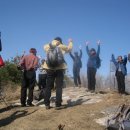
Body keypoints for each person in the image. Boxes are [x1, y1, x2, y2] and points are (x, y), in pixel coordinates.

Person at [42, 37, 73, 110]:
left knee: (48, 86)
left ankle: (46, 104)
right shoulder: (61, 46)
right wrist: (71, 42)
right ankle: (58, 104)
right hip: (60, 69)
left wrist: (53, 43)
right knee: (59, 87)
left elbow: (44, 47)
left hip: (49, 69)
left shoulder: (48, 46)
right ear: (60, 41)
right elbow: (69, 49)